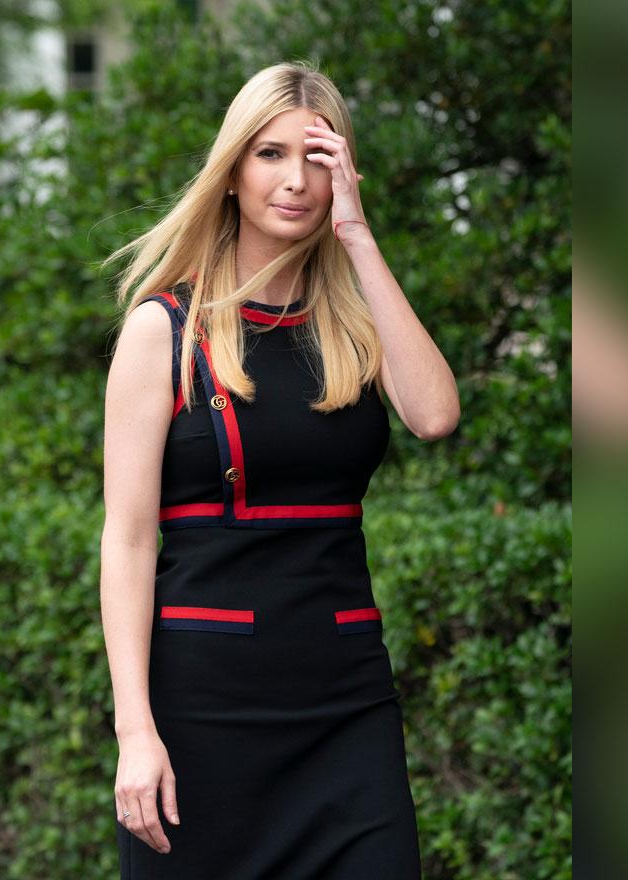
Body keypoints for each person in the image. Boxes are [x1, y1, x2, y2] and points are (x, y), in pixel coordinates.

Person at [98, 60, 459, 879]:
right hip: (203, 712)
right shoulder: (166, 329)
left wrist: (359, 237)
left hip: (345, 702)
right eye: (269, 154)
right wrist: (135, 733)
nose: (295, 180)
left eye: (318, 158)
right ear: (231, 172)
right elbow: (126, 540)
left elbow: (435, 415)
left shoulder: (356, 328)